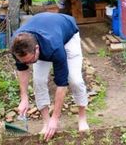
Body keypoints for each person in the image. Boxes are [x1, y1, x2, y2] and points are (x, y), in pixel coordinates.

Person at [11, 12, 89, 141]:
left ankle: (82, 117)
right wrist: (24, 97)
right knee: (38, 80)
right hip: (45, 30)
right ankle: (46, 122)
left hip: (68, 33)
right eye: (25, 62)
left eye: (31, 60)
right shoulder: (17, 47)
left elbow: (62, 84)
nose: (28, 64)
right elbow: (22, 69)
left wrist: (56, 118)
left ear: (37, 49)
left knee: (75, 80)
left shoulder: (54, 47)